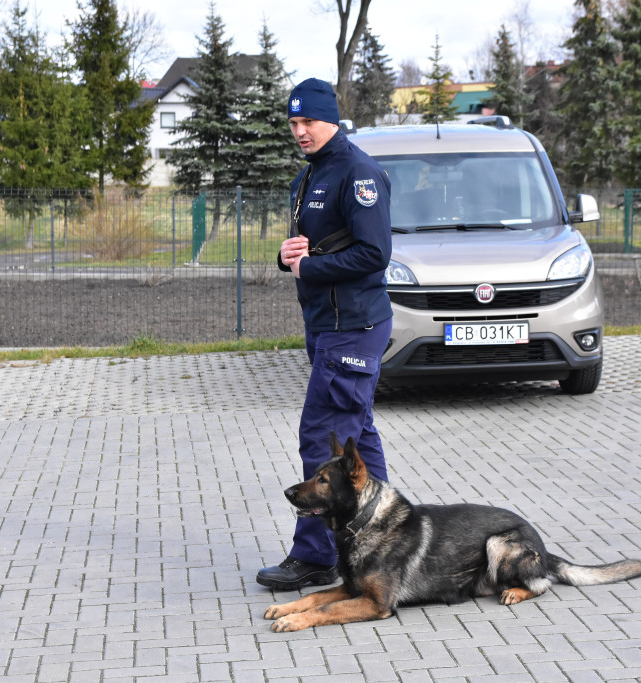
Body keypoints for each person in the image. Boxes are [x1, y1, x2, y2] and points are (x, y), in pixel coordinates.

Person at [256, 78, 394, 591]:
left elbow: (373, 254)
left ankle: (316, 555)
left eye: (307, 122)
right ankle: (385, 537)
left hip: (353, 326)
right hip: (325, 326)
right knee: (357, 435)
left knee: (321, 435)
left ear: (330, 118)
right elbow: (306, 250)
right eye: (292, 123)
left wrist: (310, 268)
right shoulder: (307, 176)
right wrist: (286, 257)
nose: (299, 131)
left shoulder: (359, 172)